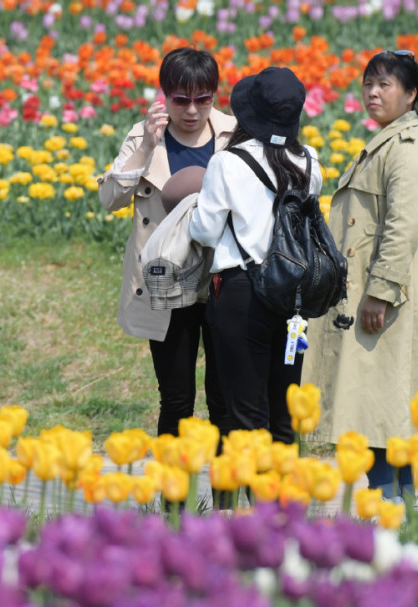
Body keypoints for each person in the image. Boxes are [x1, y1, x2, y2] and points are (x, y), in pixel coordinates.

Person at [301, 50, 418, 499]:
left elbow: (401, 226)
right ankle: (394, 500)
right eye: (368, 84)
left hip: (396, 289)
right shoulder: (390, 141)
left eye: (385, 85)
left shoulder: (408, 149)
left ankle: (395, 501)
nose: (373, 93)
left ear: (411, 94)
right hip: (383, 282)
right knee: (383, 398)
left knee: (386, 398)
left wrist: (380, 292)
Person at [98, 47, 236, 440]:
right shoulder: (145, 137)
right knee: (176, 398)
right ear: (165, 95)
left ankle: (226, 498)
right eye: (181, 100)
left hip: (222, 276)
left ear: (214, 95)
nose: (192, 110)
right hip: (167, 278)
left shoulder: (231, 133)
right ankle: (176, 499)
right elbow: (110, 200)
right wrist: (144, 148)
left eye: (203, 99)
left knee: (224, 397)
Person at [188, 67, 323, 448]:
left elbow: (204, 232)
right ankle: (285, 506)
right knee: (283, 415)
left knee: (247, 414)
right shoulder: (310, 162)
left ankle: (257, 509)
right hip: (293, 297)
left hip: (242, 294)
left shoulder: (228, 163)